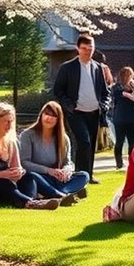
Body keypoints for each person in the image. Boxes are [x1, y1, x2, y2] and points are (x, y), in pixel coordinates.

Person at [0, 103, 59, 209]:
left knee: (30, 176)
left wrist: (19, 172)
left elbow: (17, 168)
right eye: (5, 121)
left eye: (11, 121)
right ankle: (31, 203)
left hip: (6, 186)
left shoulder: (11, 143)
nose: (9, 125)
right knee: (2, 183)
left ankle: (56, 196)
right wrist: (1, 174)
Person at [52, 34, 110, 184]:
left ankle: (88, 175)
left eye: (90, 48)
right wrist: (69, 105)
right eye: (84, 48)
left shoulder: (97, 68)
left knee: (90, 144)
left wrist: (104, 105)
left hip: (94, 112)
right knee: (84, 142)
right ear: (78, 49)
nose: (87, 51)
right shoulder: (67, 68)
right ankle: (80, 175)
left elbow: (105, 92)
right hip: (76, 112)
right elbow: (58, 90)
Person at [19, 101, 90, 204]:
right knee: (31, 176)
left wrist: (66, 171)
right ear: (41, 115)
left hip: (57, 179)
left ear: (58, 119)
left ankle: (59, 193)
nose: (49, 118)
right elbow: (24, 162)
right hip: (39, 176)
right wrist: (49, 170)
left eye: (53, 116)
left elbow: (68, 162)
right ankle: (62, 195)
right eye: (46, 114)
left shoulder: (64, 138)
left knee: (84, 175)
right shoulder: (28, 135)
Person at [110, 66, 134, 169]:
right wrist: (123, 94)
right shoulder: (115, 87)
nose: (129, 78)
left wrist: (130, 95)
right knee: (119, 142)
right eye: (127, 75)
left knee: (132, 143)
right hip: (120, 118)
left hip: (133, 118)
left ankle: (132, 163)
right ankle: (119, 163)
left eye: (130, 75)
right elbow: (113, 101)